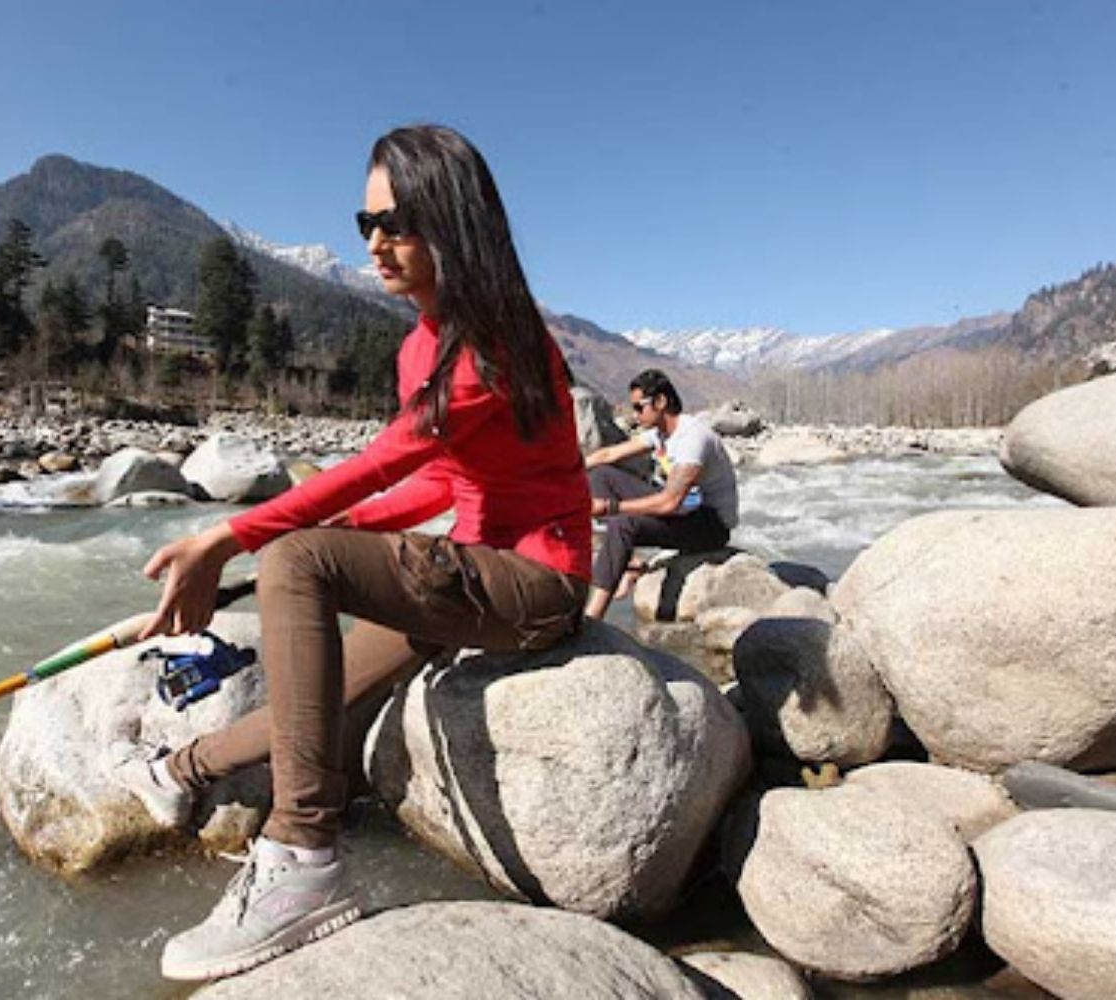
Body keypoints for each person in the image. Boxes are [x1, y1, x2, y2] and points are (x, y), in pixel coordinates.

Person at [115, 124, 593, 982]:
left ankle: (303, 856)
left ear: (453, 221)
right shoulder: (420, 345)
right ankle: (177, 770)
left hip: (538, 582)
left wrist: (232, 536)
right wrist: (346, 529)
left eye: (395, 221)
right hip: (473, 574)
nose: (375, 241)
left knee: (296, 560)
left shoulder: (499, 338)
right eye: (365, 222)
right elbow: (438, 480)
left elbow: (393, 459)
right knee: (320, 694)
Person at [583, 369, 738, 620]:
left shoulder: (693, 438)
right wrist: (564, 472)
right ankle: (630, 563)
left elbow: (669, 502)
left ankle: (593, 617)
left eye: (639, 407)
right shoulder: (660, 435)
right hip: (685, 510)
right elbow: (607, 455)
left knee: (624, 523)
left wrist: (610, 507)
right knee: (601, 475)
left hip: (710, 525)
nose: (635, 415)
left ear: (661, 402)